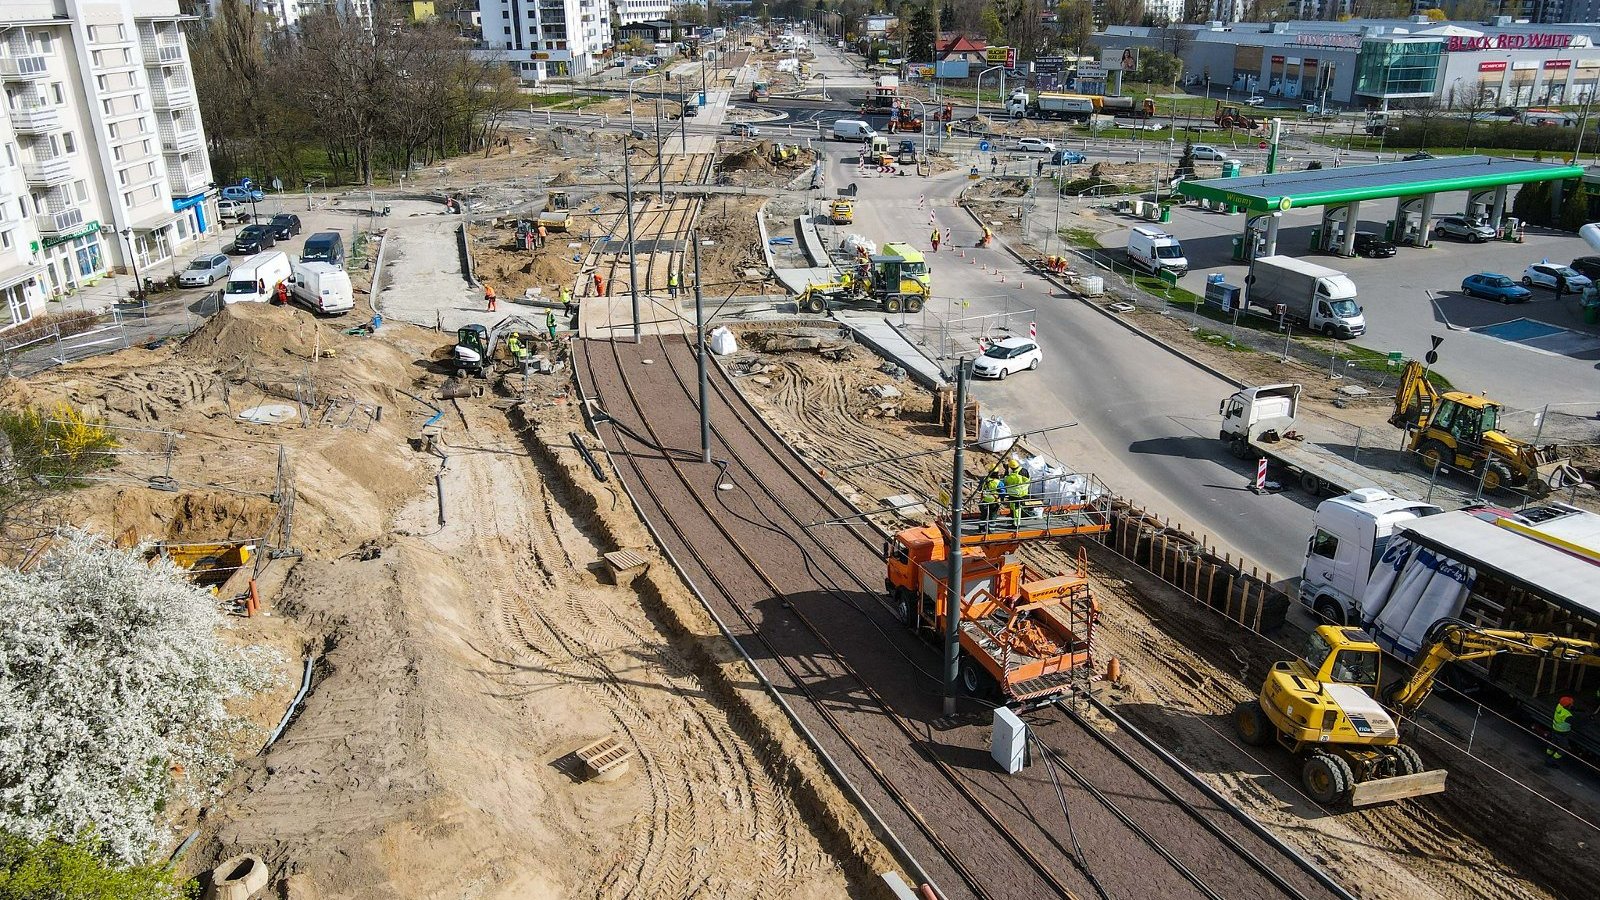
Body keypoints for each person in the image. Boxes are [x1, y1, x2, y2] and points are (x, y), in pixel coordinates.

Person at [1548, 696, 1575, 764]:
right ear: (1568, 705)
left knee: (1553, 743)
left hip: (1555, 729)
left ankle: (1548, 755)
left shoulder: (1559, 706)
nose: (1572, 704)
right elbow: (1576, 723)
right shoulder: (1567, 715)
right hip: (1562, 733)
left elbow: (1566, 708)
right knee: (1563, 748)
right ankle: (1551, 761)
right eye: (1571, 704)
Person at [1003, 460, 1029, 527]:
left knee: (1016, 508)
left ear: (1011, 468)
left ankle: (1016, 524)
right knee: (1016, 507)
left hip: (1015, 494)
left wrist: (1006, 471)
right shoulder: (1025, 470)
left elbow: (1005, 481)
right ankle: (1014, 519)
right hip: (1024, 492)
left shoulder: (1013, 476)